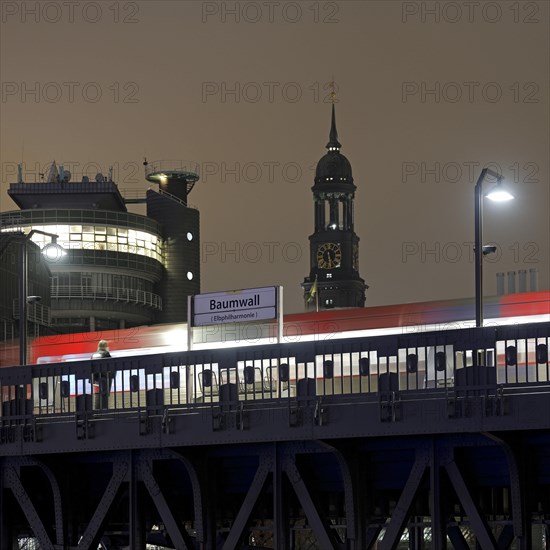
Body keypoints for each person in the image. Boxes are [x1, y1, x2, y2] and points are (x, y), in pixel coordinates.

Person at [91, 340, 112, 409]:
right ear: (105, 346)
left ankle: (97, 411)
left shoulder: (93, 355)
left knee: (97, 395)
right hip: (104, 379)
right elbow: (110, 365)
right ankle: (104, 410)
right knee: (104, 395)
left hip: (95, 379)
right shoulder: (106, 354)